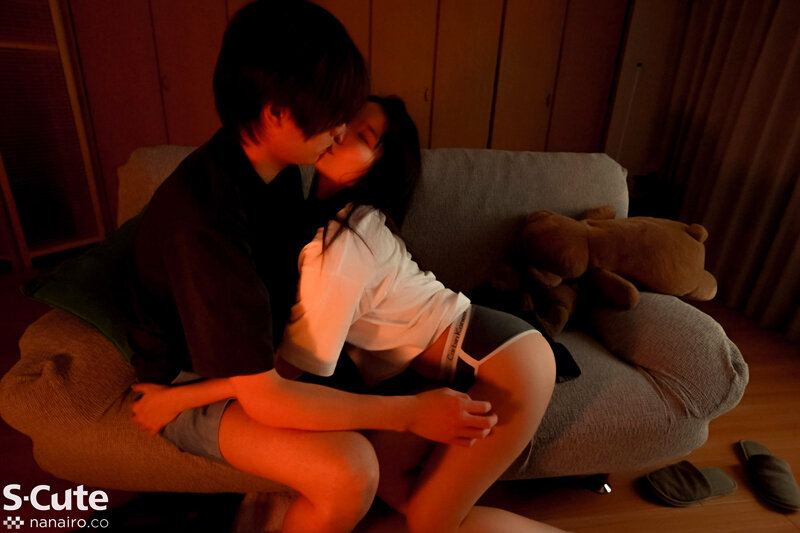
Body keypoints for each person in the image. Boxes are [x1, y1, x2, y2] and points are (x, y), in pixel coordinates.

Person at [126, 3, 496, 532]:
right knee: (351, 471)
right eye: (334, 115)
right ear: (277, 112)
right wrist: (410, 413)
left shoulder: (277, 170)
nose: (340, 130)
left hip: (255, 363)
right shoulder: (205, 221)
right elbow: (265, 395)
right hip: (185, 385)